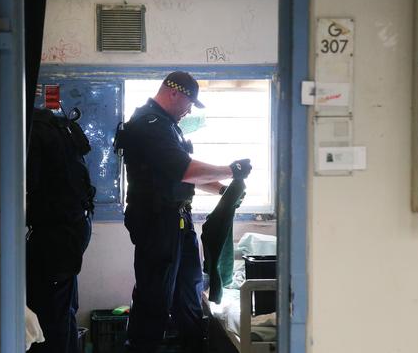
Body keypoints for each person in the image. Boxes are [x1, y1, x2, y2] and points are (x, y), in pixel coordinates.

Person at [116, 71, 252, 352]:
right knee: (154, 298)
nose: (189, 109)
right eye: (189, 102)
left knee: (189, 294)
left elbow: (183, 175)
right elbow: (184, 169)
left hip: (177, 219)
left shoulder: (167, 125)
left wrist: (222, 189)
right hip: (157, 222)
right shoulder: (149, 124)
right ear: (173, 92)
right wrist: (230, 169)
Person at [26, 106, 95, 353]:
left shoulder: (33, 131)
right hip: (74, 226)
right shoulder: (59, 125)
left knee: (49, 314)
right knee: (63, 308)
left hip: (56, 233)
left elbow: (27, 187)